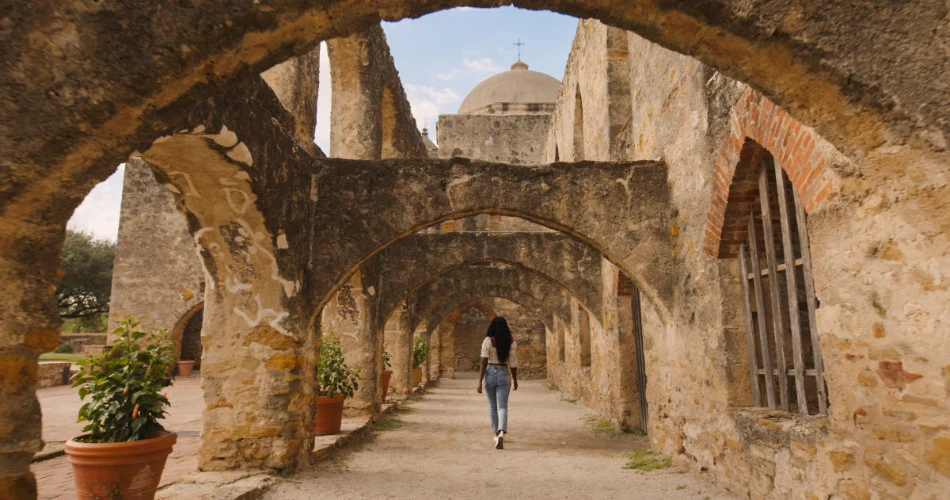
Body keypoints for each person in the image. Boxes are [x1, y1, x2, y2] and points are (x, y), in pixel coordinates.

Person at [476, 316, 518, 449]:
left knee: (493, 406)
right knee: (503, 406)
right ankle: (501, 432)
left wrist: (479, 381)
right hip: (504, 373)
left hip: (490, 372)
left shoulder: (488, 341)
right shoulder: (511, 342)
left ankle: (495, 433)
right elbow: (513, 363)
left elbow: (483, 361)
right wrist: (515, 379)